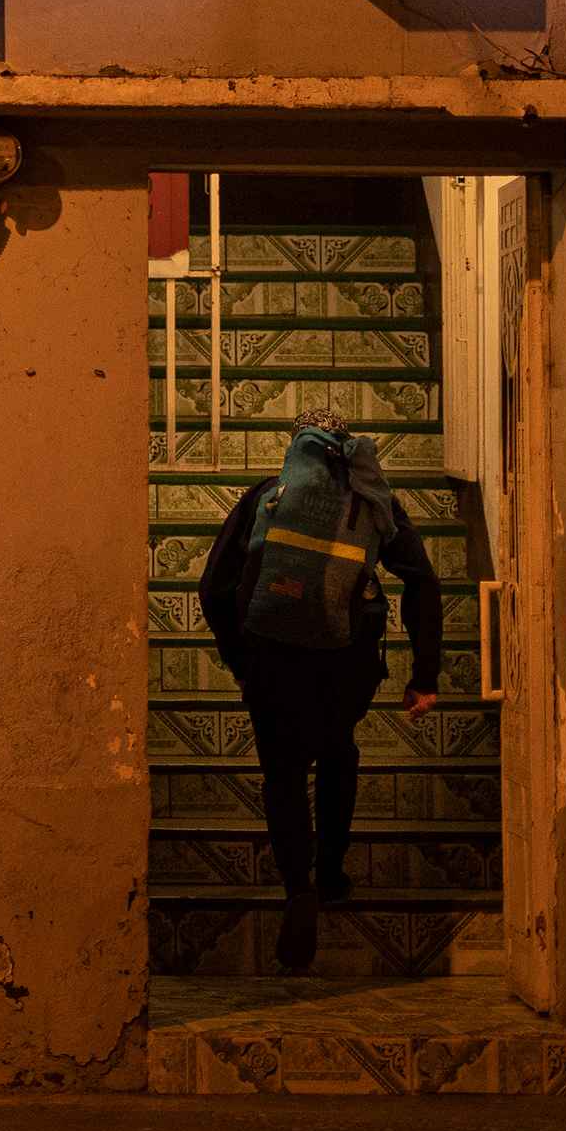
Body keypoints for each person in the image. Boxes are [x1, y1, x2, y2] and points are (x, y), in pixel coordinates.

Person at [198, 406, 442, 974]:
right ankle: (331, 872)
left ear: (296, 449)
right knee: (337, 754)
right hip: (345, 664)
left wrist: (240, 657)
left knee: (281, 773)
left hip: (270, 663)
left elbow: (213, 587)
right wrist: (424, 673)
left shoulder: (267, 497)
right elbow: (423, 581)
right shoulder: (376, 505)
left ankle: (296, 887)